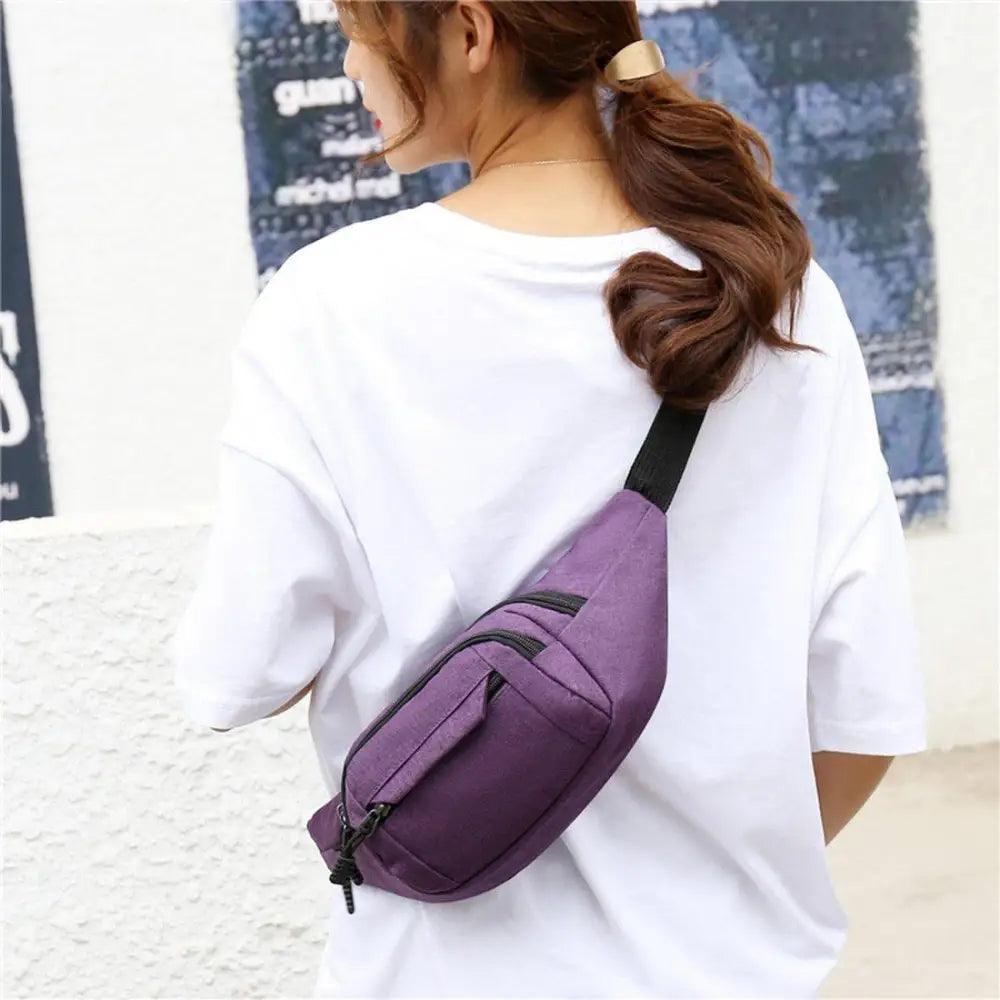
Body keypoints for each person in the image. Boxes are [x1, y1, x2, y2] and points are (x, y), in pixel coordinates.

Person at [172, 2, 929, 996]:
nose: (352, 63)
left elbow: (237, 671)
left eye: (361, 28)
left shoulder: (327, 307)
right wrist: (700, 900)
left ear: (470, 33)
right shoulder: (774, 292)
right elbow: (861, 709)